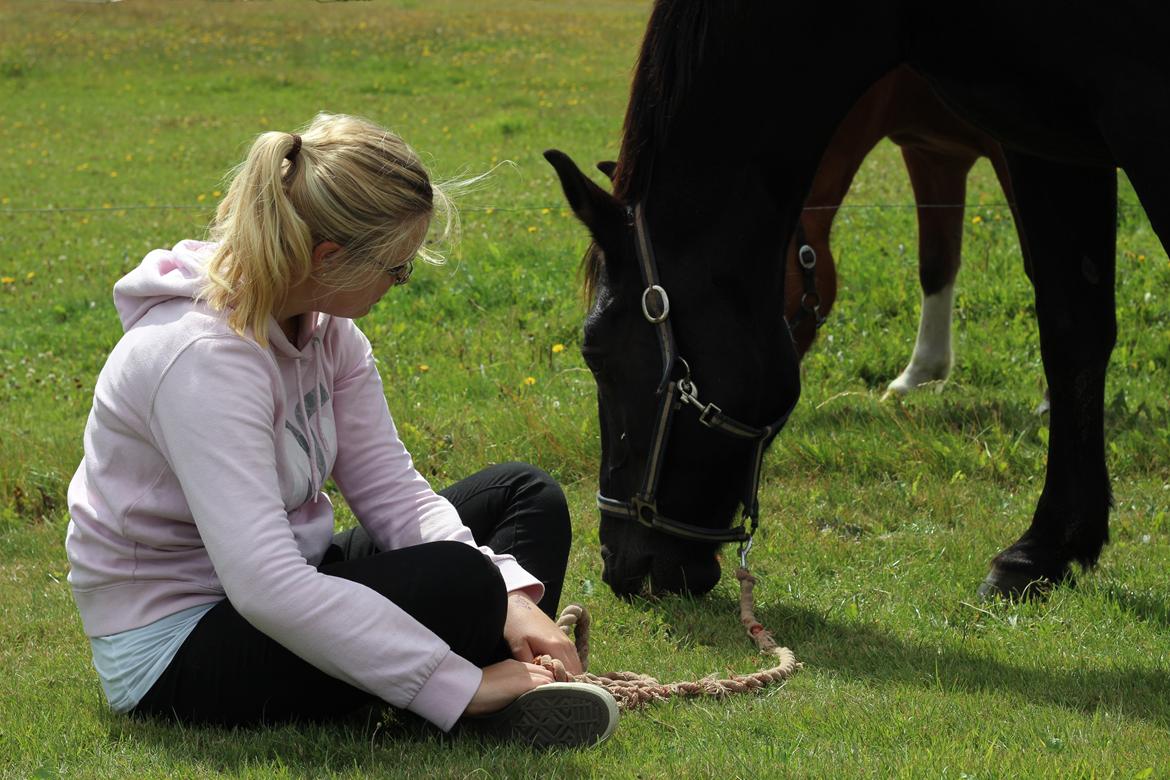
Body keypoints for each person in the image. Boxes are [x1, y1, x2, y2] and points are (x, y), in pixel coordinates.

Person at [64, 112, 618, 749]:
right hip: (179, 644)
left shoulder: (327, 330)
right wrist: (453, 681)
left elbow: (393, 494)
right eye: (397, 268)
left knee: (525, 497)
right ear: (329, 258)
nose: (401, 283)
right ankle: (473, 693)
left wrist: (512, 590)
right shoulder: (199, 358)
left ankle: (497, 673)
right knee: (461, 585)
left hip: (286, 580)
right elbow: (265, 587)